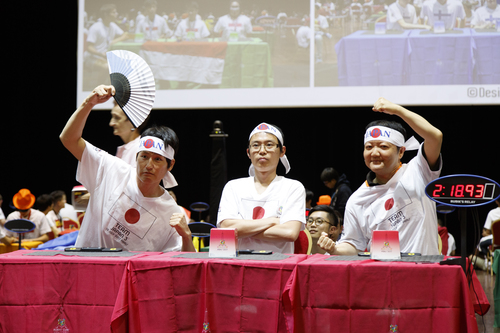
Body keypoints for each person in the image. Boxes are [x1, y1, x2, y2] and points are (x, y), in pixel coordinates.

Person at [59, 85, 195, 252]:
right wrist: (89, 103)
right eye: (144, 156)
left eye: (157, 159)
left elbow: (184, 264)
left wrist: (186, 236)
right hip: (88, 269)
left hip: (130, 277)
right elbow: (69, 139)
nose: (149, 165)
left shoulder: (171, 211)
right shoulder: (111, 169)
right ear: (136, 156)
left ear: (170, 165)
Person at [319, 98, 443, 255]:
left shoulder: (418, 171)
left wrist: (398, 110)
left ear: (401, 152)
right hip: (383, 273)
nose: (375, 153)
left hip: (424, 271)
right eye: (369, 147)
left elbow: (435, 136)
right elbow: (353, 244)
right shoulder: (357, 200)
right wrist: (334, 248)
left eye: (384, 147)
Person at [217, 123, 306, 254]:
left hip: (279, 264)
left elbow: (290, 233)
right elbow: (226, 229)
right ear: (248, 152)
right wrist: (274, 221)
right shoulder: (233, 187)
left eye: (269, 145)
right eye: (256, 145)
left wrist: (242, 229)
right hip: (238, 263)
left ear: (282, 151)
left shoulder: (293, 187)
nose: (262, 150)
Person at [84, 4, 130, 72]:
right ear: (106, 14)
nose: (117, 14)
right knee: (111, 68)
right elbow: (89, 47)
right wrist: (101, 54)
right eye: (114, 12)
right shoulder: (96, 27)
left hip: (106, 57)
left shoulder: (112, 25)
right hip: (93, 58)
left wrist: (112, 42)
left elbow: (125, 35)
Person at [110, 101, 150, 166]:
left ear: (133, 122)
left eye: (117, 118)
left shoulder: (140, 149)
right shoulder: (127, 149)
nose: (111, 123)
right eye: (112, 117)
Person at [472, 199, 500, 269]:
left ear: (496, 201)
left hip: (494, 239)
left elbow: (485, 232)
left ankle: (490, 260)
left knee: (481, 243)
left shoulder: (492, 213)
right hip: (493, 240)